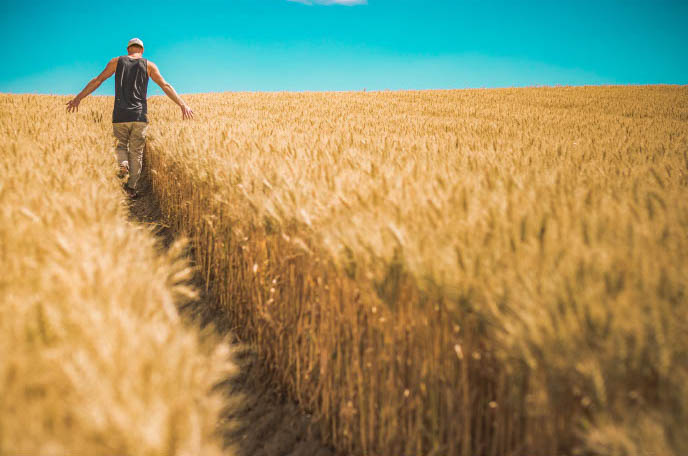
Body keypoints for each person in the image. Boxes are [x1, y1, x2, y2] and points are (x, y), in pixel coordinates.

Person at [66, 38, 193, 198]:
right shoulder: (149, 65)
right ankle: (131, 188)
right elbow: (165, 86)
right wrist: (183, 105)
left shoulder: (116, 62)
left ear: (128, 49)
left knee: (121, 146)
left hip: (120, 114)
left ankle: (123, 164)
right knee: (137, 152)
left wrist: (78, 98)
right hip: (139, 115)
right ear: (142, 50)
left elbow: (98, 80)